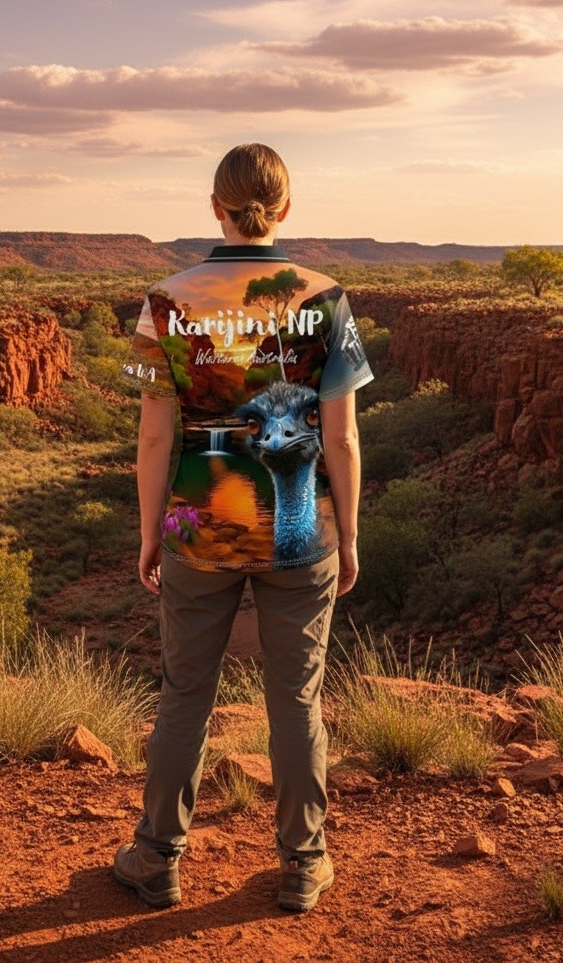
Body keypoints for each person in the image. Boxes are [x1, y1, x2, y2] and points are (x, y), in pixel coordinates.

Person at [114, 143, 372, 913]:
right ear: (284, 207)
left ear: (215, 207)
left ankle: (157, 855)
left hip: (200, 518)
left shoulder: (166, 298)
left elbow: (154, 436)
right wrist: (350, 533)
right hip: (299, 525)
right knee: (296, 698)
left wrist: (152, 527)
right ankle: (303, 864)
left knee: (185, 691)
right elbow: (344, 437)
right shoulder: (325, 296)